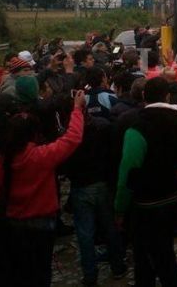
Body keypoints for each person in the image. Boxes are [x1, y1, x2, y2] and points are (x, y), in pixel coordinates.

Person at [0, 90, 86, 287]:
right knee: (42, 269)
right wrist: (77, 110)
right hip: (42, 222)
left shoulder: (3, 160)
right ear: (34, 134)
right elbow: (72, 139)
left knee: (21, 269)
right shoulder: (41, 156)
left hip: (14, 221)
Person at [114, 77, 177, 287]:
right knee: (160, 251)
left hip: (145, 205)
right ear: (167, 96)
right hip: (174, 199)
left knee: (152, 257)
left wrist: (119, 208)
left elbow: (127, 171)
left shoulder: (137, 128)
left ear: (143, 96)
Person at [63, 98, 126, 285]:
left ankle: (90, 274)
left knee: (85, 233)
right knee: (110, 227)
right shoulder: (103, 126)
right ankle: (117, 266)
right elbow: (114, 154)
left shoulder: (68, 134)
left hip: (81, 186)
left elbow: (65, 164)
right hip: (103, 183)